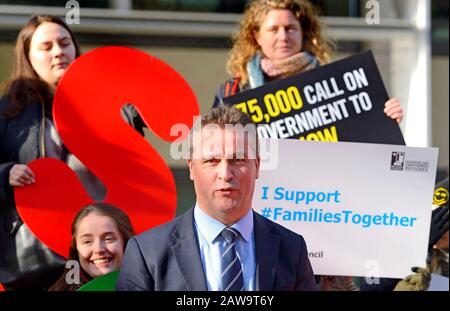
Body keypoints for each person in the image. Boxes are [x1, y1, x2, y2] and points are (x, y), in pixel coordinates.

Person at [0, 14, 143, 290]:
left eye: (65, 43)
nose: (58, 52)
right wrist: (5, 174)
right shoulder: (8, 113)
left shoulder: (105, 102)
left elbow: (133, 172)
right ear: (28, 57)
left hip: (98, 261)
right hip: (32, 262)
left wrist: (129, 121)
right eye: (46, 46)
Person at [116, 105, 316, 291]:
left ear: (257, 165)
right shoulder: (146, 252)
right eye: (212, 161)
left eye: (238, 160)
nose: (225, 174)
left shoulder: (292, 249)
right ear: (191, 167)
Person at [212, 0, 403, 123]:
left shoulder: (336, 87)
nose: (283, 36)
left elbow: (359, 139)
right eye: (273, 29)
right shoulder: (232, 93)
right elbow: (213, 147)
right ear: (256, 36)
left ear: (304, 33)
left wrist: (383, 118)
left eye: (290, 28)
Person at [48, 203, 135, 291]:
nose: (99, 249)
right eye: (87, 241)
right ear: (76, 250)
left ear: (126, 242)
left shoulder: (146, 285)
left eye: (108, 239)